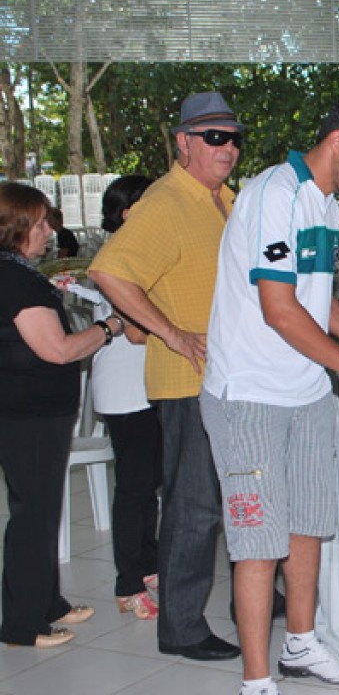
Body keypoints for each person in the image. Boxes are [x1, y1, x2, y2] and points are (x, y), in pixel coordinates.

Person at [203, 93, 339, 695]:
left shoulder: (325, 203)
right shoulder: (275, 195)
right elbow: (279, 311)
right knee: (258, 542)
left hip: (304, 392)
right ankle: (256, 679)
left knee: (307, 527)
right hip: (249, 394)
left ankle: (300, 645)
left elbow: (315, 300)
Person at [89, 91, 243, 661]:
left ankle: (252, 596)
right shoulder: (165, 200)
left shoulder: (222, 198)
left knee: (233, 497)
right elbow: (109, 271)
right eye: (212, 137)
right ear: (183, 143)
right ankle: (180, 625)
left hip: (230, 378)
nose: (226, 147)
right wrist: (172, 333)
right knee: (194, 507)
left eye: (231, 137)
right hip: (186, 382)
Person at [0, 182, 124, 647]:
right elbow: (58, 350)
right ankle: (22, 623)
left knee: (42, 508)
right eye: (38, 223)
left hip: (29, 411)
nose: (48, 231)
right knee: (33, 513)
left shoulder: (17, 272)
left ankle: (46, 601)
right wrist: (109, 327)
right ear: (16, 229)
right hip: (28, 414)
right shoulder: (15, 279)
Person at [91, 175, 161, 621]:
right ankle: (127, 582)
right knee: (135, 487)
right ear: (127, 212)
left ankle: (148, 562)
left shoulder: (139, 251)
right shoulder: (118, 256)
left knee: (149, 482)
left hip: (147, 382)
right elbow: (136, 331)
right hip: (124, 387)